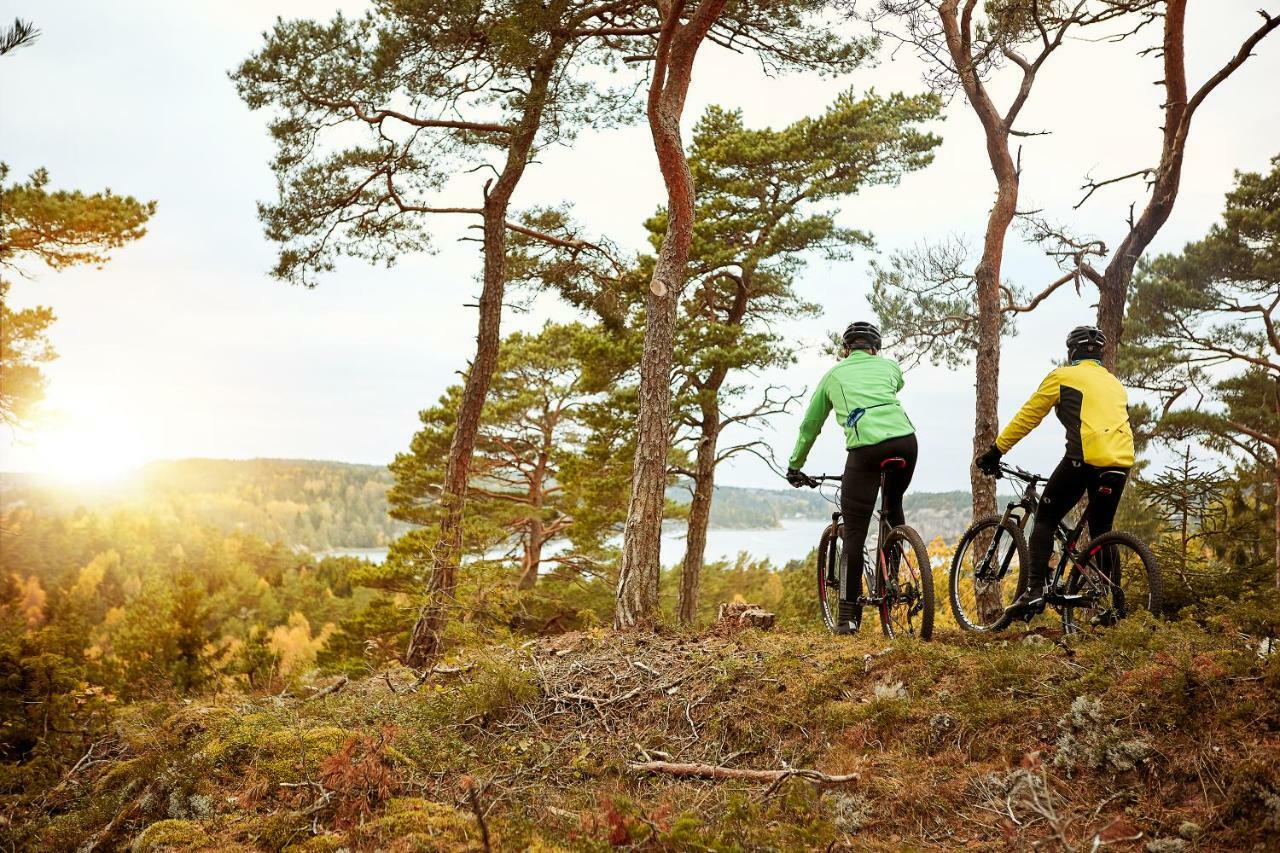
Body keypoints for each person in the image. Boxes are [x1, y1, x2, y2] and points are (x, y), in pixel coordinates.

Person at [975, 325, 1135, 620]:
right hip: (1121, 460)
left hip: (1084, 458)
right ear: (1099, 355)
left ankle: (1034, 591)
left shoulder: (1062, 376)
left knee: (1046, 517)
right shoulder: (1115, 383)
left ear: (1072, 353)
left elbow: (1028, 416)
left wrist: (996, 450)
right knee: (1102, 531)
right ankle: (1115, 606)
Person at [786, 321, 917, 634]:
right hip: (906, 442)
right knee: (893, 506)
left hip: (866, 450)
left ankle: (846, 617)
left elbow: (810, 425)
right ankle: (893, 581)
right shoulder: (889, 366)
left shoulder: (834, 374)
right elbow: (896, 384)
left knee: (855, 530)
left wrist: (795, 464)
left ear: (845, 350)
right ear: (875, 348)